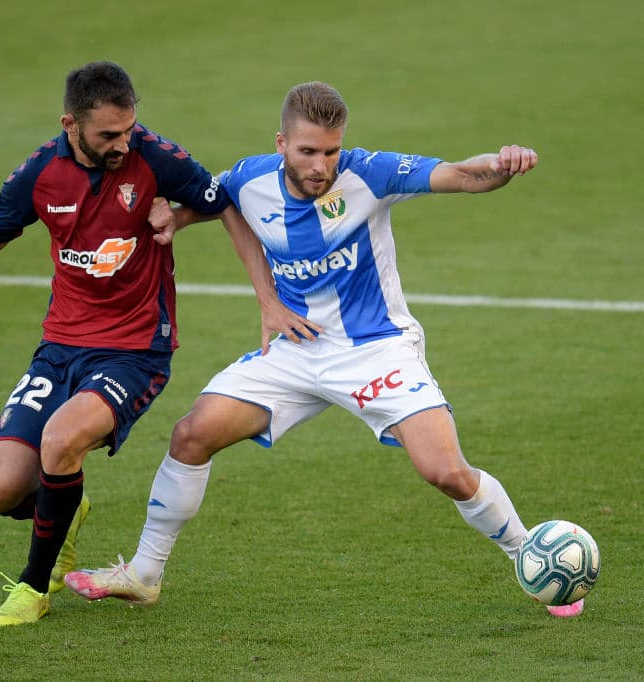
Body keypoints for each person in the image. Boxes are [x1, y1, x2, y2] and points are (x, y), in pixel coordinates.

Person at [65, 81, 585, 619]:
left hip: (376, 349)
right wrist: (179, 219)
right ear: (282, 144)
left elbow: (463, 174)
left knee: (445, 472)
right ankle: (145, 574)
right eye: (308, 151)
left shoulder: (370, 173)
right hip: (296, 349)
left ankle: (531, 555)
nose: (320, 165)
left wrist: (503, 163)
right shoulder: (251, 177)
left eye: (330, 151)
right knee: (191, 434)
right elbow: (216, 201)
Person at [0, 62, 291, 626]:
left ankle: (34, 589)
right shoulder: (39, 174)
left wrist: (260, 293)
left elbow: (220, 201)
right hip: (60, 348)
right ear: (70, 125)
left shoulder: (155, 158)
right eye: (109, 134)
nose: (122, 143)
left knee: (61, 440)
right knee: (4, 489)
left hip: (135, 351)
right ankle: (67, 507)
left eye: (129, 129)